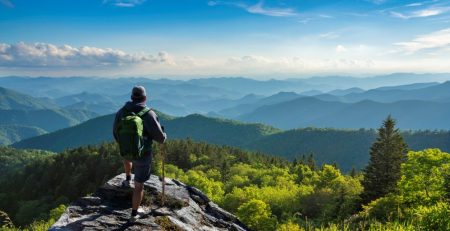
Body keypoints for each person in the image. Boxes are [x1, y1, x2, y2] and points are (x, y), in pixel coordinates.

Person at [113, 85, 166, 222]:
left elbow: (115, 132)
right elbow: (160, 138)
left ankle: (127, 178)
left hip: (126, 152)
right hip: (143, 155)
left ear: (131, 97)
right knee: (139, 186)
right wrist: (164, 135)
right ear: (145, 98)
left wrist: (123, 144)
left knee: (127, 158)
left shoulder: (121, 112)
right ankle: (134, 214)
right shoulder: (149, 114)